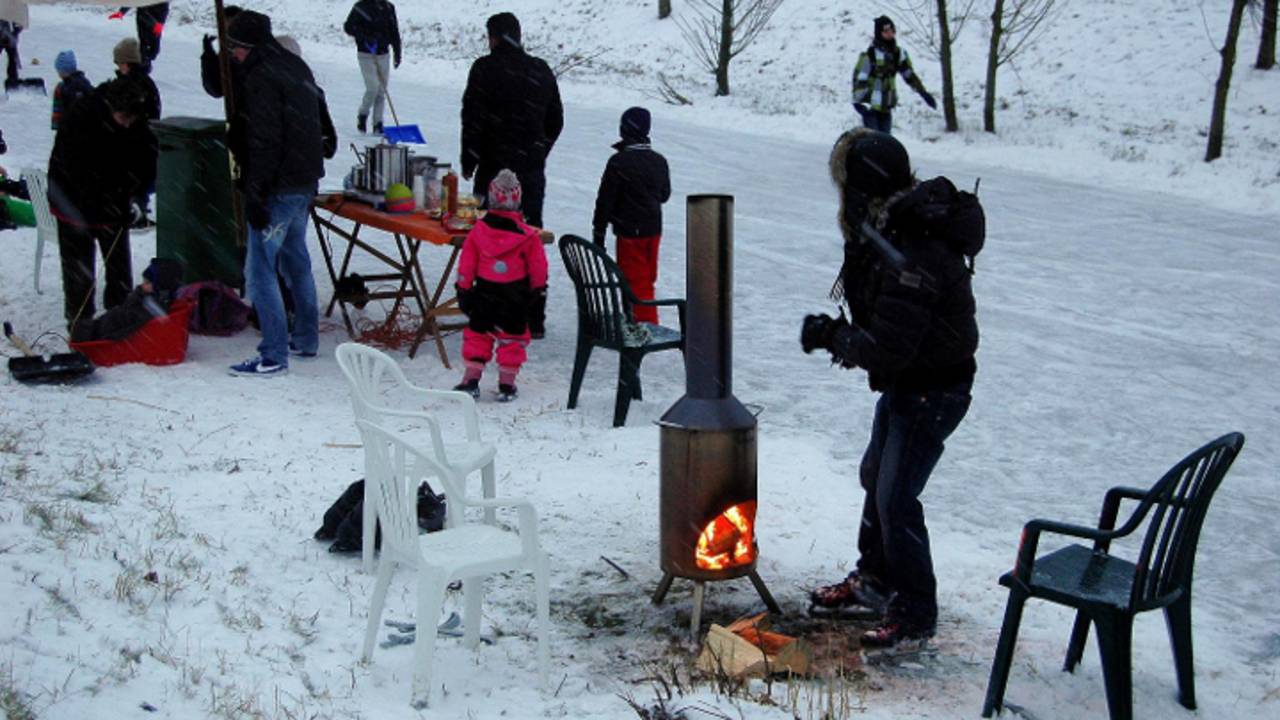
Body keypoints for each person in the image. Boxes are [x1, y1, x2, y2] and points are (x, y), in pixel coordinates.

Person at [801, 129, 983, 648]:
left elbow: (888, 347)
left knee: (897, 497)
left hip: (934, 389)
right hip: (914, 383)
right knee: (875, 475)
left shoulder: (915, 249)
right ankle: (876, 581)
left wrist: (833, 335)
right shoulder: (893, 230)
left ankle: (915, 611)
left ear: (863, 187)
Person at [223, 10, 324, 377]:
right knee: (296, 260)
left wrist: (256, 193)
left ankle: (274, 353)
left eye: (234, 47)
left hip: (279, 188)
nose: (232, 54)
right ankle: (306, 339)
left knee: (260, 269)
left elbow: (265, 141)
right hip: (304, 182)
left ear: (246, 46)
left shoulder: (261, 77)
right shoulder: (296, 68)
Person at [48, 76, 157, 325]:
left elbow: (146, 162)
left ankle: (120, 316)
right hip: (73, 203)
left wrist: (138, 198)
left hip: (112, 206)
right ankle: (80, 322)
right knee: (79, 272)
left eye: (133, 119)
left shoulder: (136, 123)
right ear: (111, 107)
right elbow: (77, 172)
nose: (128, 124)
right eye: (124, 118)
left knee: (119, 267)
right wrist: (111, 200)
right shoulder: (81, 119)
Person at [453, 169, 548, 402]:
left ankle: (471, 379)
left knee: (478, 334)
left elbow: (467, 263)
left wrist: (464, 288)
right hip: (515, 295)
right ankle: (507, 384)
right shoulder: (529, 236)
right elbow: (538, 268)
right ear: (518, 200)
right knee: (513, 338)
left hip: (485, 292)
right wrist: (538, 290)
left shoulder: (478, 231)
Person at [460, 12, 563, 229]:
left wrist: (469, 160)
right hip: (529, 172)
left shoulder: (484, 68)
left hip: (492, 168)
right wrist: (538, 151)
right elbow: (555, 120)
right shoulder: (540, 69)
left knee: (487, 237)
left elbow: (472, 119)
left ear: (494, 38)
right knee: (528, 237)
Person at [591, 106, 671, 324]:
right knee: (647, 277)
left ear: (624, 130)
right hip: (654, 228)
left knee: (635, 280)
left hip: (629, 231)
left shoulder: (619, 162)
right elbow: (664, 195)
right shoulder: (659, 161)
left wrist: (599, 232)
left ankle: (644, 324)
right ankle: (635, 316)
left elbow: (605, 200)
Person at [851, 16, 936, 134]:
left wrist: (923, 93)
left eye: (892, 30)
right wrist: (859, 103)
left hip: (887, 107)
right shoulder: (870, 55)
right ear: (879, 33)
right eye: (886, 31)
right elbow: (860, 79)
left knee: (886, 143)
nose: (890, 34)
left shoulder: (898, 54)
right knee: (875, 143)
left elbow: (909, 75)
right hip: (871, 108)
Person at [70, 257, 182, 342]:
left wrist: (109, 338)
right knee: (91, 325)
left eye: (147, 283)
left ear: (161, 287)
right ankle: (81, 330)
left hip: (109, 328)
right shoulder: (149, 299)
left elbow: (129, 328)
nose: (142, 285)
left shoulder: (152, 307)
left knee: (86, 329)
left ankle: (81, 334)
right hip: (111, 321)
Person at [113, 37, 160, 228]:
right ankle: (138, 209)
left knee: (132, 182)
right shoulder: (147, 83)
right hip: (147, 143)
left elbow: (124, 115)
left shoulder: (129, 85)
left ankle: (134, 212)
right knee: (140, 183)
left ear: (125, 63)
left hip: (134, 144)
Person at [343, 0, 401, 135]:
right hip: (366, 54)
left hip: (383, 54)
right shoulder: (360, 7)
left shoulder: (388, 7)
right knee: (372, 87)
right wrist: (365, 37)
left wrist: (397, 52)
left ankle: (378, 123)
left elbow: (394, 31)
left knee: (382, 91)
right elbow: (348, 27)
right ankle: (363, 114)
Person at [109, 3, 170, 71]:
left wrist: (160, 23)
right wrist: (122, 12)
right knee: (148, 49)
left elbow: (164, 9)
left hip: (156, 21)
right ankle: (138, 70)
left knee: (153, 51)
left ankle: (138, 69)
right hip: (145, 18)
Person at [52, 51, 93, 131]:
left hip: (70, 127)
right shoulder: (85, 82)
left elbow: (59, 109)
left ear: (62, 71)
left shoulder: (63, 88)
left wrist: (58, 126)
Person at [0, 19, 22, 86]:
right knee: (12, 57)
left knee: (12, 58)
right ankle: (13, 80)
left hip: (10, 32)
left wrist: (17, 29)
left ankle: (13, 80)